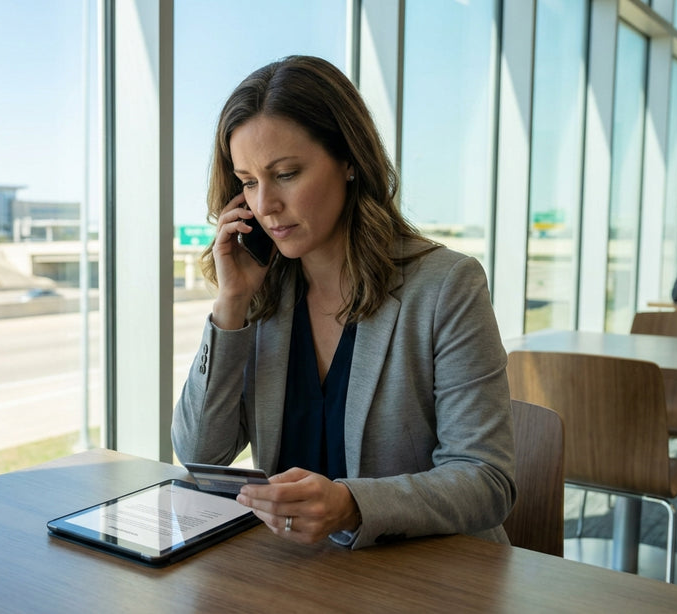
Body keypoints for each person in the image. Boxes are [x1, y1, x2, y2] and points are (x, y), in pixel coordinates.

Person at [171, 55, 516, 549]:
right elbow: (200, 450)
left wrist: (353, 503)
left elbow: (487, 480)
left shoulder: (446, 286)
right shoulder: (264, 293)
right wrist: (231, 304)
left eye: (286, 174)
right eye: (248, 182)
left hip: (425, 577)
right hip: (301, 575)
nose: (264, 205)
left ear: (349, 160)